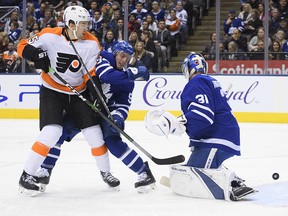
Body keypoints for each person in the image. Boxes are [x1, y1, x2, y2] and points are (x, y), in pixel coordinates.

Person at [17, 5, 119, 196]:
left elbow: (90, 73)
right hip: (52, 91)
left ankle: (106, 172)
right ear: (70, 24)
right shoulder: (49, 35)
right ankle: (26, 175)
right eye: (82, 24)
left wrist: (97, 96)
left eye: (87, 24)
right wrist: (36, 55)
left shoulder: (92, 43)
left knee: (94, 134)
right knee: (52, 131)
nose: (85, 28)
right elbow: (22, 46)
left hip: (77, 93)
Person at [36, 41, 156, 194]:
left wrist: (118, 117)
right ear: (115, 53)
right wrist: (132, 73)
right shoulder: (103, 57)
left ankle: (143, 172)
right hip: (84, 107)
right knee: (59, 134)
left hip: (104, 113)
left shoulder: (127, 82)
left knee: (113, 143)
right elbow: (106, 75)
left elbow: (123, 104)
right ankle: (45, 171)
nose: (124, 60)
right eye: (122, 55)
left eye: (128, 57)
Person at [145, 52, 254, 201]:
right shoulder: (207, 80)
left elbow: (204, 115)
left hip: (217, 137)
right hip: (220, 134)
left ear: (187, 69)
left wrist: (178, 123)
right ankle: (232, 180)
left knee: (193, 173)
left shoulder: (196, 82)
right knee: (192, 168)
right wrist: (182, 125)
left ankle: (232, 185)